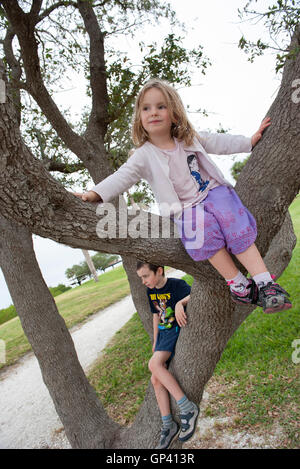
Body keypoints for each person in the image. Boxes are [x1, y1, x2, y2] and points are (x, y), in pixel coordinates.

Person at [74, 78, 292, 314]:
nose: (153, 112)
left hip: (211, 191)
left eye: (161, 106)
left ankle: (265, 283)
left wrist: (248, 141)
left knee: (231, 217)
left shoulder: (188, 138)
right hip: (184, 208)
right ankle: (239, 285)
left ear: (175, 114)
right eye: (146, 108)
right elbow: (121, 177)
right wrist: (94, 193)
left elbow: (218, 141)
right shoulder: (142, 155)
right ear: (139, 118)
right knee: (200, 230)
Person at [136, 261, 199, 449]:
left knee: (154, 366)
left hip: (174, 332)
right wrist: (155, 341)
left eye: (146, 276)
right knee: (156, 380)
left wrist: (180, 302)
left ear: (159, 271)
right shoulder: (151, 292)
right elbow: (156, 315)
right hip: (163, 335)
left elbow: (195, 295)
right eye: (141, 278)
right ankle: (168, 424)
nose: (143, 281)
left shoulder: (177, 285)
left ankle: (188, 408)